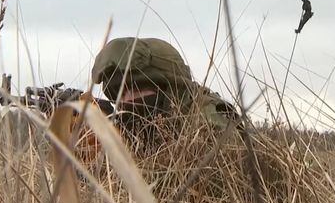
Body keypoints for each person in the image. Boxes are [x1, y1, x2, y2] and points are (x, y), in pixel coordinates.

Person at [89, 36, 241, 145]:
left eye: (136, 88)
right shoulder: (129, 130)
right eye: (120, 93)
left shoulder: (209, 123)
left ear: (170, 89)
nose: (127, 98)